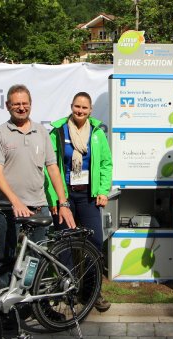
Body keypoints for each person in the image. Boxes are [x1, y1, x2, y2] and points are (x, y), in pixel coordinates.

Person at [0, 84, 76, 290]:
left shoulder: (41, 132)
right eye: (16, 104)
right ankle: (6, 308)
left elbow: (53, 168)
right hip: (7, 208)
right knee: (6, 259)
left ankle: (32, 303)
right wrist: (15, 201)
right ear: (8, 105)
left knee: (36, 259)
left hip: (38, 207)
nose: (21, 107)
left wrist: (63, 203)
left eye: (25, 103)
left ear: (31, 105)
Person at [45, 92, 113, 312]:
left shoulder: (97, 133)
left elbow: (105, 163)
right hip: (64, 197)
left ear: (90, 110)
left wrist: (103, 190)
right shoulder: (58, 131)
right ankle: (68, 290)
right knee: (64, 244)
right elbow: (49, 167)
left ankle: (93, 291)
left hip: (88, 197)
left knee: (94, 243)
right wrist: (55, 198)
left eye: (84, 108)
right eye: (77, 107)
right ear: (71, 106)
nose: (80, 111)